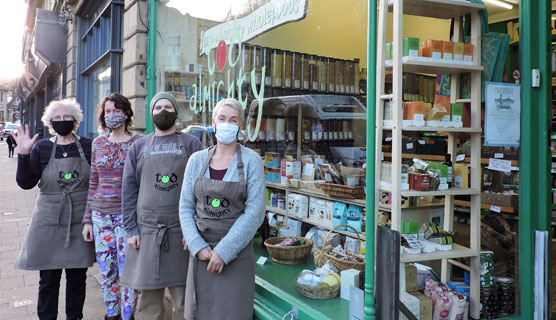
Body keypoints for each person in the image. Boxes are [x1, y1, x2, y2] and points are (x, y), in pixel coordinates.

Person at [179, 98, 265, 320]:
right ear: (213, 122)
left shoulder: (251, 161)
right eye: (222, 118)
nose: (227, 124)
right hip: (202, 254)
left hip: (236, 255)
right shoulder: (196, 160)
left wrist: (224, 251)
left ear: (241, 126)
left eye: (233, 120)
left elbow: (255, 213)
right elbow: (185, 207)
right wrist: (198, 246)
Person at [121, 92, 202, 320]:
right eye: (158, 108)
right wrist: (131, 230)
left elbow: (202, 189)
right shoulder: (138, 147)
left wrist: (193, 229)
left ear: (176, 112)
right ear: (151, 113)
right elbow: (129, 191)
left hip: (181, 233)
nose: (163, 111)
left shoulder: (192, 144)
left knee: (183, 300)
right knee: (149, 302)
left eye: (168, 107)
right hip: (146, 233)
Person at [13, 98, 96, 320]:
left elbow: (96, 183)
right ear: (50, 122)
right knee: (48, 278)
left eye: (66, 117)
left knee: (77, 278)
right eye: (56, 118)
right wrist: (22, 154)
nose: (62, 121)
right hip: (48, 219)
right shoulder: (42, 147)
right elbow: (26, 182)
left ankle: (74, 317)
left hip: (79, 219)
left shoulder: (89, 146)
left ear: (75, 120)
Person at [82, 93, 141, 320]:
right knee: (107, 273)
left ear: (126, 113)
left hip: (127, 218)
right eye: (108, 111)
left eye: (117, 110)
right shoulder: (98, 144)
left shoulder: (137, 143)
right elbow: (93, 182)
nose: (112, 115)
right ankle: (111, 315)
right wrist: (87, 220)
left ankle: (128, 316)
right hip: (100, 217)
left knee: (128, 273)